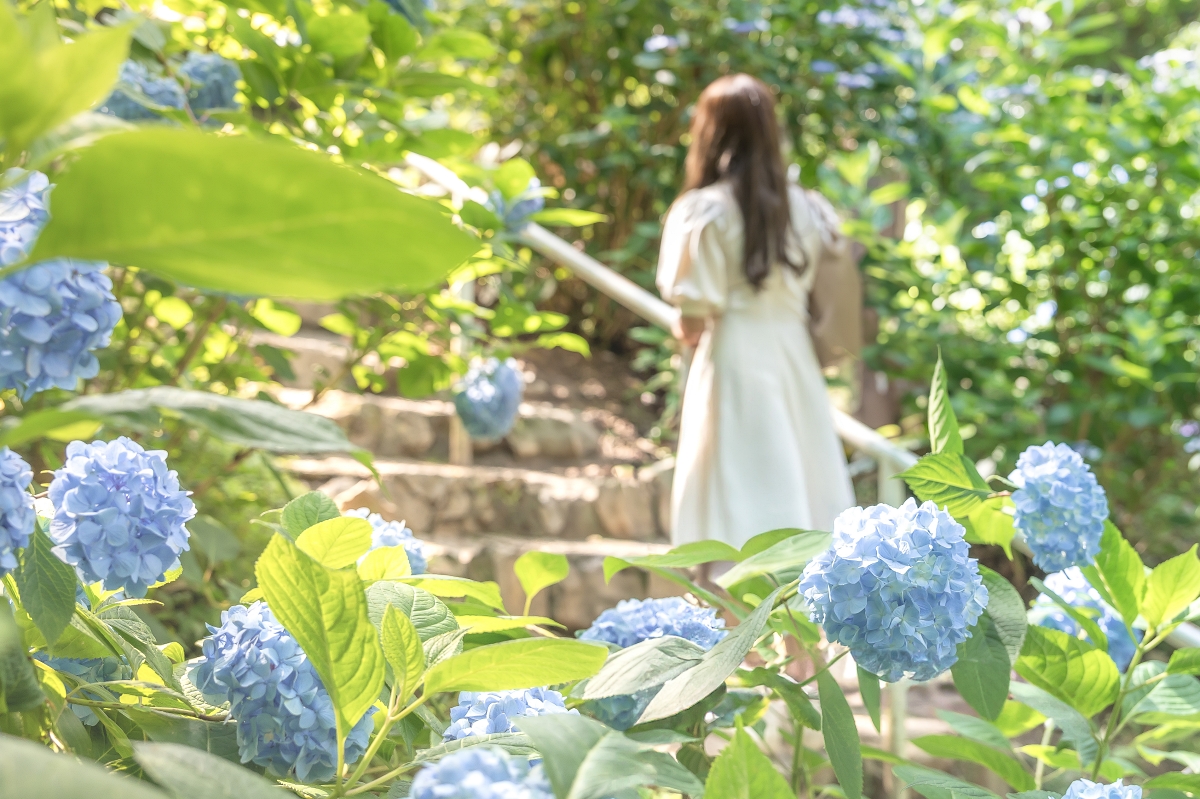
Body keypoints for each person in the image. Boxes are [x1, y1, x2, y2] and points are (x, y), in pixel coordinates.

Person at [656, 73, 856, 549]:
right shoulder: (809, 209)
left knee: (735, 498)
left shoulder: (704, 211)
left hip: (734, 356)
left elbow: (692, 320)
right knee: (802, 485)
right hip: (793, 357)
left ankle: (734, 613)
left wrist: (682, 325)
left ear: (710, 131)